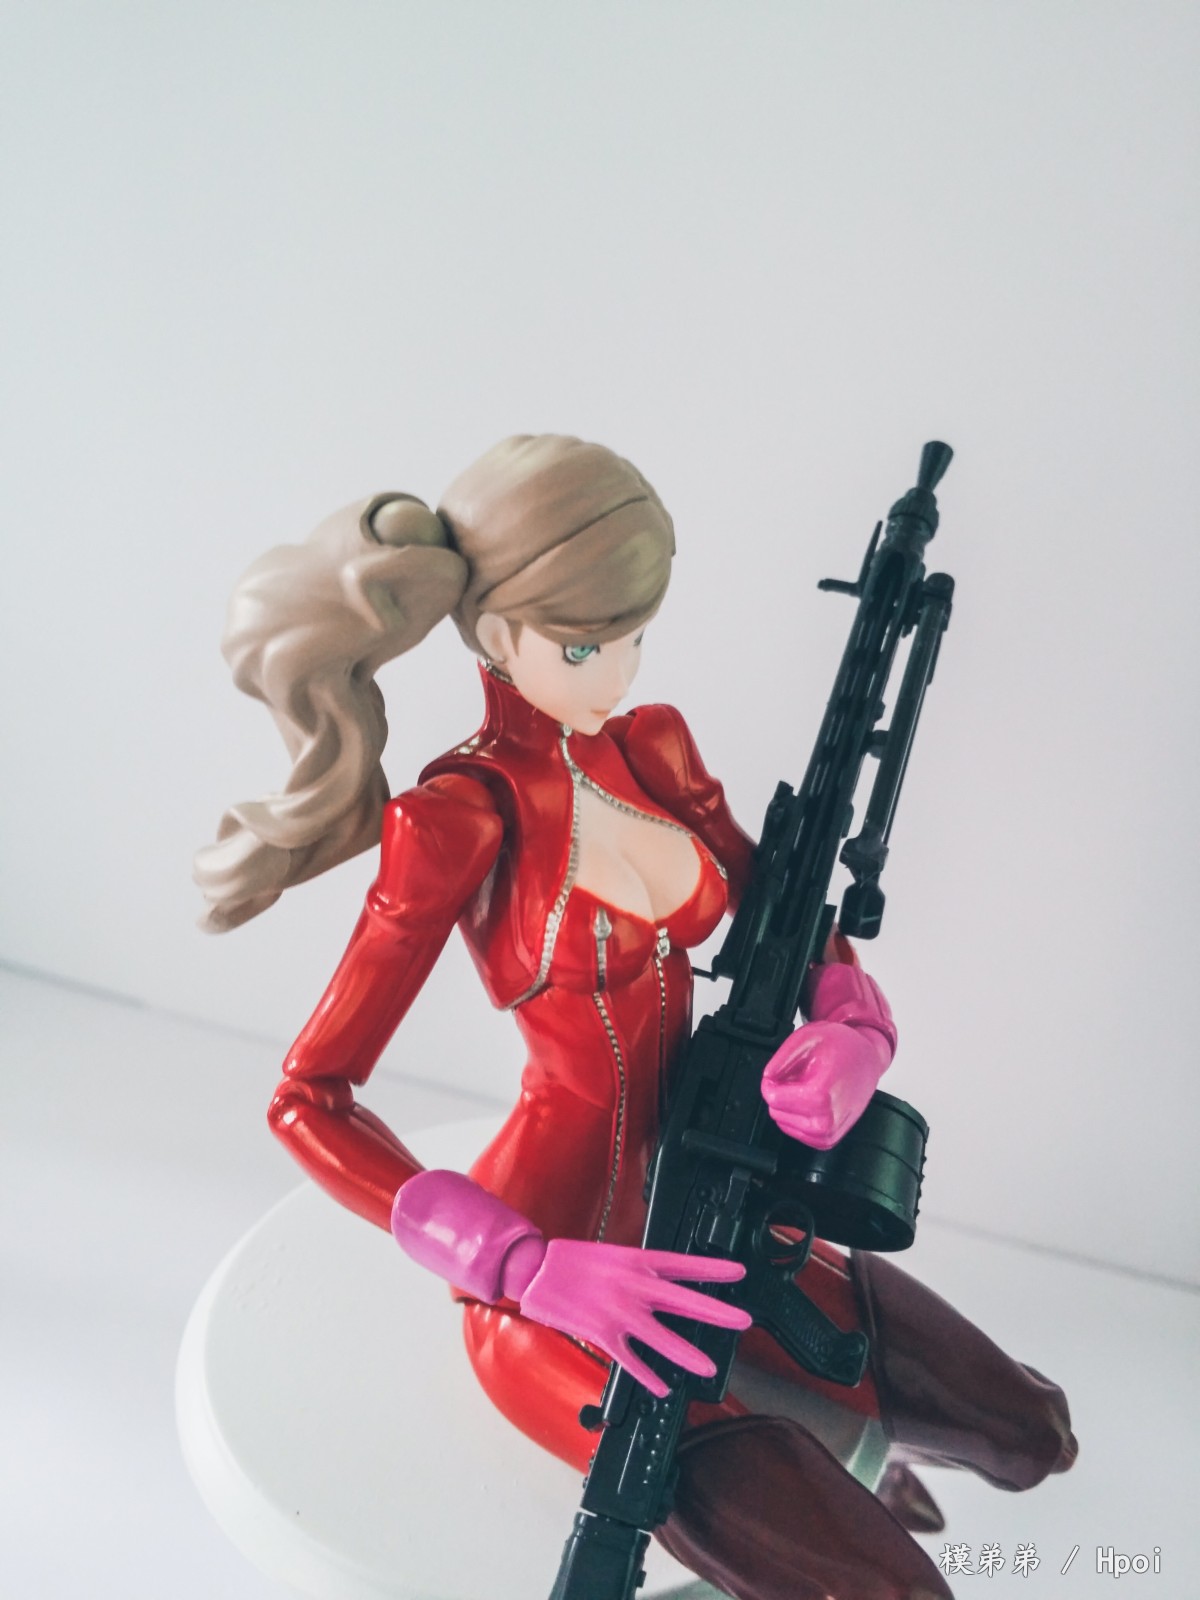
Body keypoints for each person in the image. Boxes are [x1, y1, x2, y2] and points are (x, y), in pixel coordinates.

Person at [196, 435, 1075, 1600]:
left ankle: (875, 1465)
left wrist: (853, 1026)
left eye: (631, 637)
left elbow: (792, 914)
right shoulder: (456, 819)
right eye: (582, 645)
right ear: (495, 636)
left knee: (1032, 1432)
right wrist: (516, 1261)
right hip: (558, 1268)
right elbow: (307, 1100)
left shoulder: (650, 750)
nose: (613, 672)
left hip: (723, 1192)